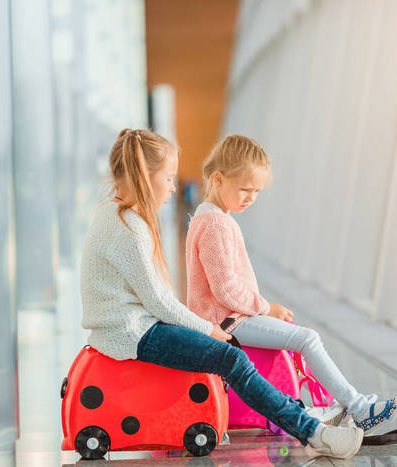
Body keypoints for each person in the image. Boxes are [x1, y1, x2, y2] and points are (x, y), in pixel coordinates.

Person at [80, 128, 363, 459]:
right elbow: (160, 303)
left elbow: (157, 302)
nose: (173, 187)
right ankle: (314, 432)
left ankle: (311, 426)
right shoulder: (131, 227)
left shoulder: (113, 216)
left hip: (128, 329)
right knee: (231, 358)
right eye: (168, 178)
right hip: (132, 334)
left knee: (228, 357)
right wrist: (209, 329)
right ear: (146, 176)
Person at [186, 134, 397, 435]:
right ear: (218, 178)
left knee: (301, 339)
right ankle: (358, 408)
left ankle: (336, 406)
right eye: (245, 189)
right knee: (307, 339)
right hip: (225, 322)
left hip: (228, 317)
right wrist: (267, 308)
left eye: (257, 191)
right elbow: (224, 290)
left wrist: (264, 310)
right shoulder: (215, 224)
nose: (250, 197)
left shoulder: (211, 218)